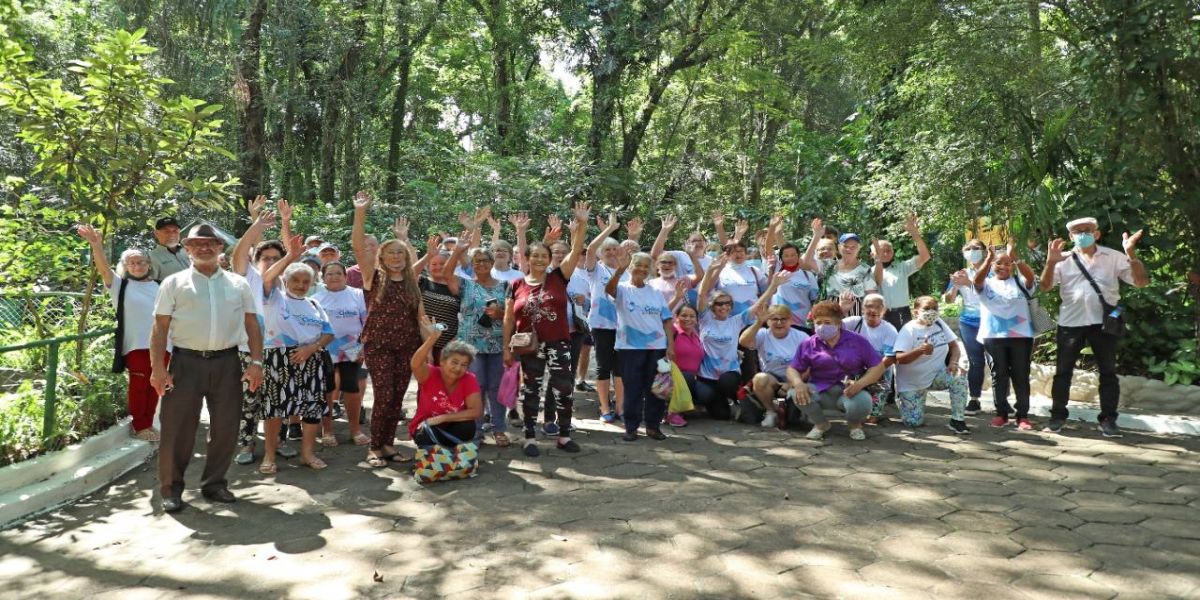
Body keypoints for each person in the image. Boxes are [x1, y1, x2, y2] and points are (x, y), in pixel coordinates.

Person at [149, 223, 263, 513]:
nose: (204, 248)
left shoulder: (238, 284)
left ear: (220, 247)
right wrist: (158, 368)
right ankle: (171, 489)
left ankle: (215, 484)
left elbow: (252, 324)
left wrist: (256, 362)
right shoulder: (173, 283)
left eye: (210, 243)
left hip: (227, 362)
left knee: (226, 427)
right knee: (177, 428)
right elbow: (160, 327)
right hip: (185, 363)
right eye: (197, 243)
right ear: (187, 248)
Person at [1040, 217, 1148, 437]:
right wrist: (1050, 263)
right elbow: (1045, 287)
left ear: (1097, 233)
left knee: (1108, 372)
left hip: (1104, 323)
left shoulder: (1113, 257)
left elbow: (1141, 282)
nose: (1082, 234)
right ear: (1071, 236)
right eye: (1077, 231)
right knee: (1063, 372)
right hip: (1070, 322)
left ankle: (1108, 420)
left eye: (1087, 230)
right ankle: (1057, 416)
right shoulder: (1062, 259)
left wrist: (1131, 254)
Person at [502, 202, 590, 457]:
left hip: (559, 343)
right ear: (527, 259)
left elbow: (576, 250)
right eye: (535, 256)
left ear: (550, 259)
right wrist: (507, 348)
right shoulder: (516, 284)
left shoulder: (559, 277)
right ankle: (529, 437)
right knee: (531, 390)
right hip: (529, 345)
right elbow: (508, 318)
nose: (540, 259)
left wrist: (582, 223)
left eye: (544, 256)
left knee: (564, 389)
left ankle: (564, 435)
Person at [352, 191, 427, 467]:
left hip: (407, 346)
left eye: (400, 252)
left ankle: (388, 444)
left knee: (397, 396)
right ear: (382, 256)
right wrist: (360, 212)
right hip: (379, 345)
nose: (396, 256)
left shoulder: (412, 283)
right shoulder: (373, 277)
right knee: (384, 394)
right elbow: (358, 247)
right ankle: (374, 446)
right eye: (391, 252)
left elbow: (421, 318)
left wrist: (428, 347)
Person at [77, 225, 168, 441]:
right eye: (131, 263)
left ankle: (148, 423)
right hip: (136, 345)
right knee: (139, 386)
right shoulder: (120, 286)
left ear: (148, 264)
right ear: (125, 266)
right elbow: (104, 270)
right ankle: (140, 426)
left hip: (165, 345)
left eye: (141, 262)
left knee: (156, 385)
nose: (137, 266)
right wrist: (96, 245)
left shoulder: (160, 285)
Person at [257, 263, 335, 473]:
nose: (301, 285)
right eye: (296, 280)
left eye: (306, 281)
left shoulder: (314, 304)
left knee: (312, 407)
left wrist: (312, 348)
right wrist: (290, 256)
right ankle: (269, 455)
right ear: (285, 280)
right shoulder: (275, 299)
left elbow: (329, 333)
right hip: (278, 358)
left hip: (311, 359)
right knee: (275, 408)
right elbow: (266, 278)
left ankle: (307, 454)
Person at [693, 254, 787, 420]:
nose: (724, 307)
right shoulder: (705, 318)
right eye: (719, 304)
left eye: (727, 303)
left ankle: (734, 398)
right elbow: (702, 294)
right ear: (712, 306)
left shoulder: (736, 321)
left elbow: (758, 304)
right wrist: (710, 271)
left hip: (729, 372)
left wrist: (773, 285)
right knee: (716, 411)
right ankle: (718, 401)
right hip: (707, 375)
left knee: (726, 382)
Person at [444, 235, 512, 446]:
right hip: (470, 347)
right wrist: (457, 251)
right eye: (477, 261)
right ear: (472, 265)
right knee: (476, 387)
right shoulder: (466, 285)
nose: (481, 264)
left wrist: (500, 314)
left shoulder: (505, 286)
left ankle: (499, 429)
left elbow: (511, 317)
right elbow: (446, 274)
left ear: (492, 263)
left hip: (497, 344)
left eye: (485, 260)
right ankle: (475, 430)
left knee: (497, 388)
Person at [785, 301, 886, 441]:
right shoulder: (808, 344)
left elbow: (878, 367)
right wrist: (798, 383)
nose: (822, 326)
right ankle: (821, 424)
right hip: (819, 390)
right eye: (818, 322)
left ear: (838, 323)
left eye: (827, 322)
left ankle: (854, 425)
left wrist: (860, 384)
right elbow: (792, 369)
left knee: (863, 402)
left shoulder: (857, 341)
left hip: (849, 391)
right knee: (795, 393)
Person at [606, 250, 676, 442]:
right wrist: (619, 271)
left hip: (657, 348)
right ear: (630, 267)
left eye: (646, 266)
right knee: (633, 389)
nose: (642, 269)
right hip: (629, 348)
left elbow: (667, 320)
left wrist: (670, 345)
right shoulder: (622, 288)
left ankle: (653, 427)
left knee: (657, 389)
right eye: (638, 265)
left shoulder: (655, 292)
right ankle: (631, 427)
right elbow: (609, 290)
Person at [972, 246, 1037, 430]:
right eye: (998, 263)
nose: (1003, 266)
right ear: (992, 265)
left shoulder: (1019, 282)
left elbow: (1031, 278)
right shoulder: (986, 284)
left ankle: (1022, 416)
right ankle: (1001, 414)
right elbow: (976, 281)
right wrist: (987, 259)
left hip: (1021, 336)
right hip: (993, 337)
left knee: (1021, 376)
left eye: (1008, 263)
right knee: (999, 375)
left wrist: (1017, 258)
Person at [893, 296, 971, 434]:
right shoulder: (909, 329)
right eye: (926, 308)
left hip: (937, 376)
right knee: (913, 423)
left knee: (959, 376)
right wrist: (920, 350)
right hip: (913, 383)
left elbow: (954, 346)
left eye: (935, 308)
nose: (931, 312)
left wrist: (953, 363)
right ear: (916, 311)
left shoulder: (939, 323)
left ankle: (957, 420)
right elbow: (899, 358)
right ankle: (905, 401)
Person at [314, 261, 369, 446]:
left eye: (338, 273)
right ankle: (327, 430)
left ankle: (355, 430)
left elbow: (367, 322)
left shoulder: (358, 294)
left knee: (352, 387)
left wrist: (364, 346)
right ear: (323, 278)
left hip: (352, 348)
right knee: (327, 389)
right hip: (324, 348)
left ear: (346, 276)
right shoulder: (315, 298)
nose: (334, 277)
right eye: (329, 274)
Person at [409, 323, 484, 447]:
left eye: (464, 365)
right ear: (442, 361)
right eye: (454, 362)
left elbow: (476, 411)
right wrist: (431, 339)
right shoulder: (430, 374)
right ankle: (439, 452)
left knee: (468, 426)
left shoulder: (469, 379)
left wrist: (442, 418)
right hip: (427, 426)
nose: (458, 368)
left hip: (450, 425)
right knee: (423, 435)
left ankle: (448, 451)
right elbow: (415, 364)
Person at [583, 214, 626, 424]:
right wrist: (609, 229)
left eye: (614, 248)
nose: (611, 252)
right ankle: (604, 407)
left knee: (620, 368)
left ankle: (620, 407)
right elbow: (590, 249)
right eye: (607, 249)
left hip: (624, 326)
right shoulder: (596, 269)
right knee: (603, 366)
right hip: (601, 325)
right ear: (601, 253)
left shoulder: (626, 271)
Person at [739, 304, 809, 428]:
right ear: (768, 321)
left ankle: (798, 411)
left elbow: (810, 365)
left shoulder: (802, 337)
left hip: (797, 379)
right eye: (774, 319)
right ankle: (771, 411)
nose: (779, 323)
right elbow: (743, 341)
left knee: (793, 421)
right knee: (759, 378)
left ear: (791, 320)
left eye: (783, 319)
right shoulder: (763, 334)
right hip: (772, 379)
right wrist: (758, 322)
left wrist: (792, 383)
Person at [944, 239, 989, 416]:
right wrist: (955, 286)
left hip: (992, 321)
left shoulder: (993, 271)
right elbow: (948, 299)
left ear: (984, 251)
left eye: (976, 248)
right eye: (968, 248)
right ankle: (974, 399)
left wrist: (967, 282)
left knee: (998, 361)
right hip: (969, 322)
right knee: (976, 361)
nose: (972, 251)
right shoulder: (961, 273)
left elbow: (989, 292)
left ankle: (1002, 401)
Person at [842, 294, 898, 424]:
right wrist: (842, 310)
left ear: (884, 310)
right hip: (856, 368)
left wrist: (871, 374)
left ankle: (874, 411)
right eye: (869, 306)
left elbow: (890, 358)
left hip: (880, 370)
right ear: (862, 308)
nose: (873, 310)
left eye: (878, 307)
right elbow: (833, 327)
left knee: (872, 419)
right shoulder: (854, 322)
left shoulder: (889, 330)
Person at [873, 214, 932, 329]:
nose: (885, 253)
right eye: (881, 251)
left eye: (888, 250)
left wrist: (915, 234)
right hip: (880, 314)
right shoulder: (869, 271)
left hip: (902, 314)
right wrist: (878, 260)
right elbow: (877, 281)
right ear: (872, 254)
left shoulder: (902, 267)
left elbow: (925, 257)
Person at [419, 248, 461, 362]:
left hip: (449, 345)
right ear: (428, 266)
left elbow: (465, 317)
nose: (438, 267)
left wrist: (452, 344)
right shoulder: (422, 282)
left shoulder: (458, 286)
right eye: (434, 264)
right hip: (423, 343)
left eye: (442, 264)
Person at [665, 303, 703, 427]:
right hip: (671, 378)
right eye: (684, 315)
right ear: (676, 317)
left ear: (696, 319)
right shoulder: (673, 331)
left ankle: (685, 408)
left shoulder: (696, 335)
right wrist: (676, 298)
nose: (688, 319)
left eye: (692, 316)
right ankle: (672, 413)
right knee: (687, 377)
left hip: (691, 379)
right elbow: (661, 317)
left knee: (706, 393)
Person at [771, 242, 820, 329]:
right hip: (780, 322)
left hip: (803, 323)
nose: (790, 258)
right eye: (786, 256)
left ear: (798, 256)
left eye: (793, 255)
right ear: (781, 258)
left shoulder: (808, 275)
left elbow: (815, 300)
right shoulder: (777, 274)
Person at [148, 216, 190, 282]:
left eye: (175, 231)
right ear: (156, 233)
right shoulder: (151, 257)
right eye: (166, 231)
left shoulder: (189, 251)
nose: (172, 234)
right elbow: (149, 284)